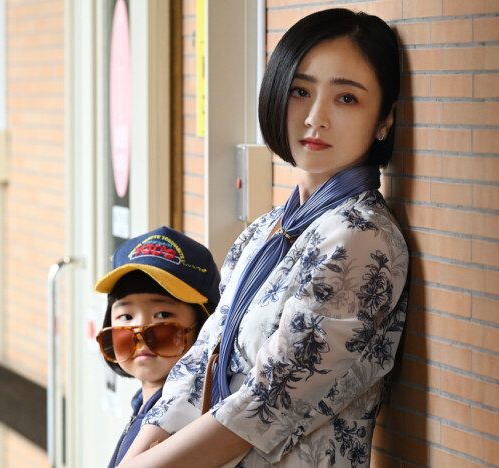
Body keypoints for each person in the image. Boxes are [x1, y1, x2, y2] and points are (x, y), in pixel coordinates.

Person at [119, 8, 409, 467]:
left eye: (346, 98)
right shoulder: (266, 231)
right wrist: (134, 453)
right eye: (300, 91)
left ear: (384, 119)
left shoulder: (361, 239)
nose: (315, 118)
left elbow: (266, 404)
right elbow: (201, 359)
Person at [94, 226, 220, 467]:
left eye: (162, 314)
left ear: (205, 325)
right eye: (126, 317)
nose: (140, 333)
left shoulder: (178, 413)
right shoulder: (144, 400)